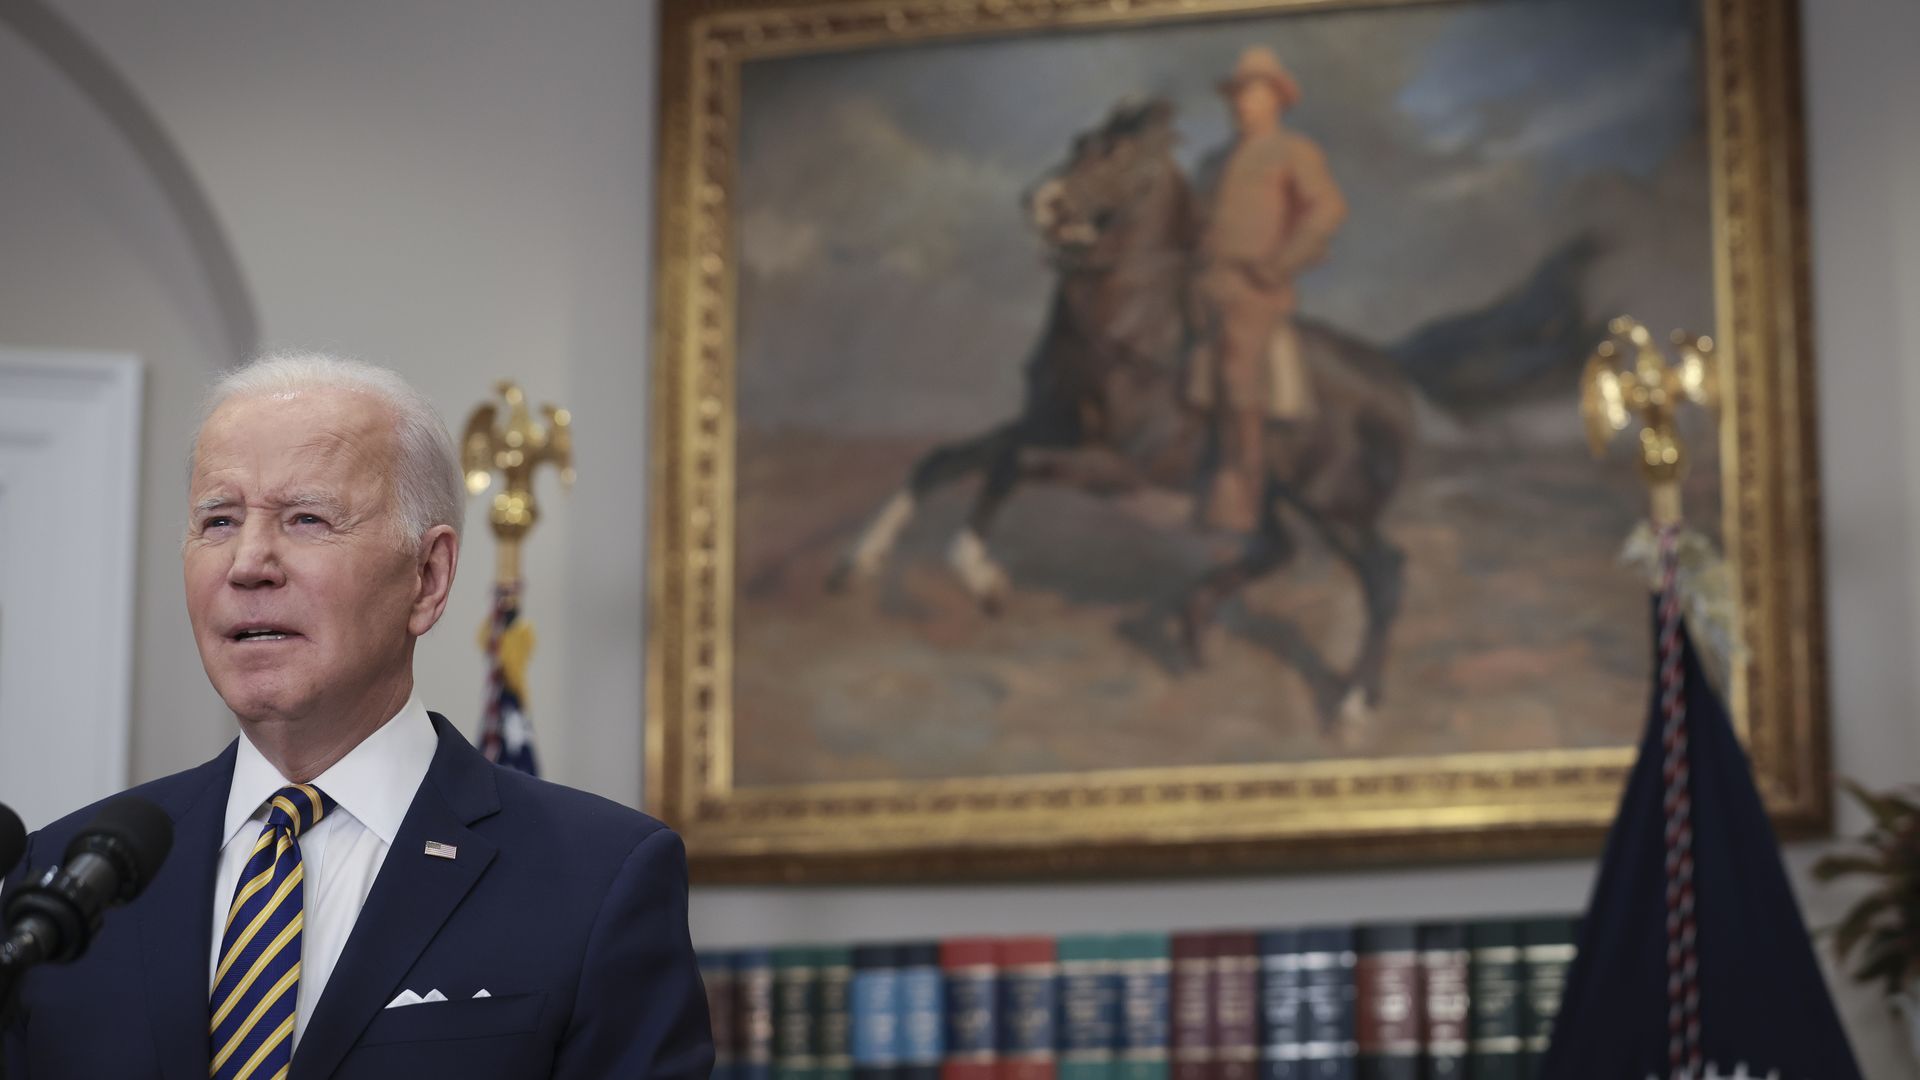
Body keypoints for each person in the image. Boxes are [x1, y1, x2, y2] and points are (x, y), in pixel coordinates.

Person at [2, 353, 712, 1079]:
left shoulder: (599, 879)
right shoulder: (64, 880)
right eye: (218, 520)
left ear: (428, 577)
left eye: (306, 519)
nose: (248, 563)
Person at [1186, 46, 1348, 534]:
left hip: (1255, 289)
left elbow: (1327, 210)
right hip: (1203, 284)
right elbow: (1195, 221)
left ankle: (1244, 493)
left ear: (1276, 99)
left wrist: (1281, 264)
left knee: (1238, 375)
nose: (1242, 104)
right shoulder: (1213, 161)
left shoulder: (1293, 151)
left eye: (1253, 95)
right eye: (1237, 95)